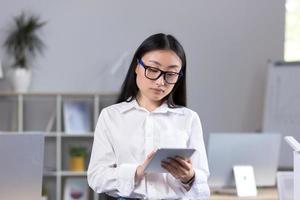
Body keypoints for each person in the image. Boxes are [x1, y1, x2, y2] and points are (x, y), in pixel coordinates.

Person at [87, 33, 210, 200]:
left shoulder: (189, 118)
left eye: (171, 74)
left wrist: (189, 176)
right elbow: (97, 177)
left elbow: (202, 183)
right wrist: (138, 171)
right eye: (153, 70)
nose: (161, 82)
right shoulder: (111, 116)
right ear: (136, 67)